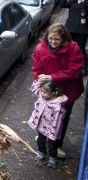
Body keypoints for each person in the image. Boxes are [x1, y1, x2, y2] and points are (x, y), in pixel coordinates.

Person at [31, 23, 84, 159]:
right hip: (48, 91)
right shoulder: (40, 49)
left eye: (57, 39)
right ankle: (43, 137)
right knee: (44, 115)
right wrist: (41, 83)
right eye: (51, 39)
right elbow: (36, 69)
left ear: (64, 38)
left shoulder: (73, 48)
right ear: (47, 37)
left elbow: (74, 70)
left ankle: (57, 144)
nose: (53, 42)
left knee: (62, 117)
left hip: (67, 91)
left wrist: (52, 77)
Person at [28, 80, 68, 168]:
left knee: (52, 143)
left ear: (53, 93)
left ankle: (52, 158)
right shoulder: (41, 97)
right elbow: (34, 88)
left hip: (52, 128)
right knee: (40, 140)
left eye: (45, 92)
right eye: (41, 91)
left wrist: (54, 132)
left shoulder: (57, 106)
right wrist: (39, 80)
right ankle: (41, 152)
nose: (42, 93)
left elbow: (57, 120)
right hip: (41, 125)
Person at [60, 0, 88, 72]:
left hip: (82, 30)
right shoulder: (73, 1)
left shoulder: (86, 3)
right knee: (67, 47)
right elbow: (63, 5)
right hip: (70, 28)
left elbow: (86, 10)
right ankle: (67, 64)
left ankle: (84, 67)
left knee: (80, 48)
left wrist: (83, 1)